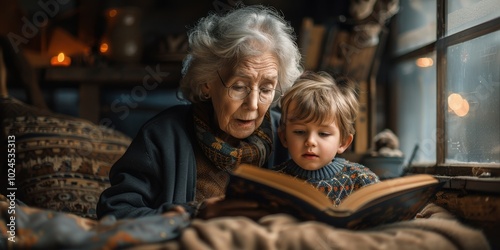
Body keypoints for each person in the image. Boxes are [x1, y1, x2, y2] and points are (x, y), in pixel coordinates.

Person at [96, 5, 302, 220]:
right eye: (239, 87)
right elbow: (115, 211)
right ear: (206, 83)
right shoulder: (163, 135)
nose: (252, 104)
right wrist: (192, 214)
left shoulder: (291, 135)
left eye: (266, 89)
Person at [274, 71, 379, 206]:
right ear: (284, 137)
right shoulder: (272, 182)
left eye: (323, 134)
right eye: (299, 132)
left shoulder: (362, 180)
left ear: (343, 142)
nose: (310, 141)